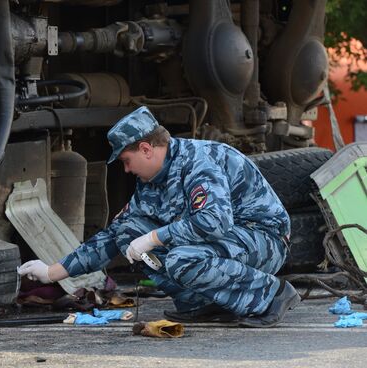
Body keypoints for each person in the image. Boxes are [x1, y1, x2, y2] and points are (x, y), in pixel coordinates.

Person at [17, 106, 300, 328]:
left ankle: (271, 296)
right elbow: (112, 236)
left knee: (181, 258)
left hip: (263, 239)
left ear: (145, 149)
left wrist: (154, 237)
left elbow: (215, 220)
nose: (126, 170)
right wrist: (51, 272)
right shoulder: (152, 181)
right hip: (227, 241)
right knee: (127, 230)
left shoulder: (198, 162)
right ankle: (198, 302)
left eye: (126, 161)